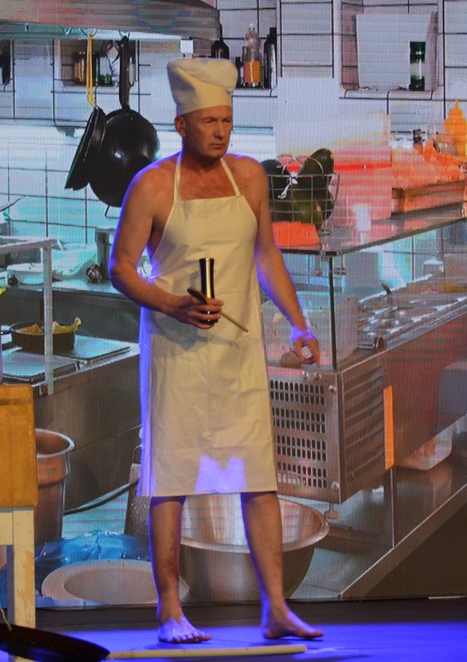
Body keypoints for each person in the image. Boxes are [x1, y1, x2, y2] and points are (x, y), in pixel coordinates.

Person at [108, 56, 323, 644]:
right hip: (176, 357)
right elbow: (120, 268)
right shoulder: (152, 185)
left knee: (260, 477)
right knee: (171, 480)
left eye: (227, 120)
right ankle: (170, 611)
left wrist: (300, 325)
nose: (221, 132)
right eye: (209, 122)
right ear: (181, 125)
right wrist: (171, 303)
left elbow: (266, 255)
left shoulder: (249, 177)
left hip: (237, 353)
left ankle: (276, 609)